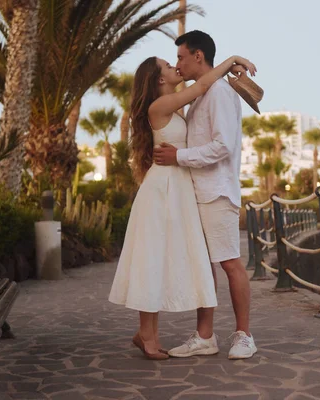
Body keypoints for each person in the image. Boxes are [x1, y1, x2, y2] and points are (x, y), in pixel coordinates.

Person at [108, 51, 256, 360]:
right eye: (167, 64)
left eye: (177, 59)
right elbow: (202, 85)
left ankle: (149, 333)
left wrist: (232, 75)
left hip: (176, 189)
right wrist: (231, 60)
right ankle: (148, 336)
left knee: (160, 259)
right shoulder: (161, 105)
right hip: (162, 189)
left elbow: (207, 90)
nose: (175, 65)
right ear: (159, 78)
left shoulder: (176, 107)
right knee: (151, 260)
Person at [153, 30, 257, 360]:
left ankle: (244, 335)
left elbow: (223, 147)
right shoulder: (199, 95)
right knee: (203, 266)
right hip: (195, 194)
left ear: (199, 56)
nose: (178, 63)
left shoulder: (221, 94)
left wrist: (178, 158)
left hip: (217, 193)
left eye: (182, 57)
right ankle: (205, 336)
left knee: (230, 263)